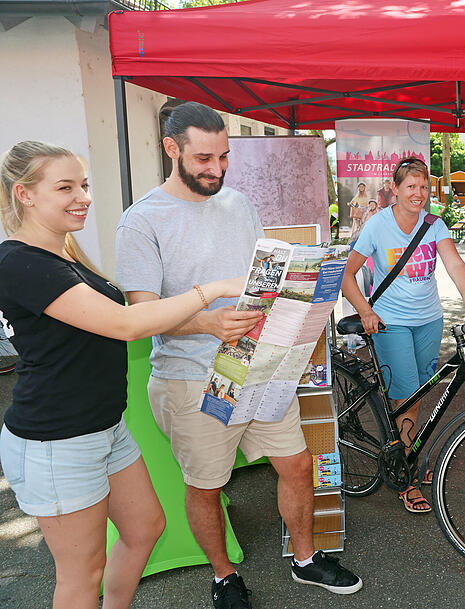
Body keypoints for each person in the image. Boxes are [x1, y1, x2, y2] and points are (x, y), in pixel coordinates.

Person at [115, 102, 361, 609]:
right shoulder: (141, 222)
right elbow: (141, 315)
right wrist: (205, 321)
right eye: (204, 158)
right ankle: (224, 576)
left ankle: (306, 558)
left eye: (224, 156)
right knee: (207, 486)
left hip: (260, 365)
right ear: (171, 149)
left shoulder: (239, 204)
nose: (217, 169)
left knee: (296, 465)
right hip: (191, 378)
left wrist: (302, 300)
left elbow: (261, 281)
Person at [0, 140, 247, 609]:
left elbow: (126, 323)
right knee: (80, 577)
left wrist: (207, 319)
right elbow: (127, 324)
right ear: (25, 194)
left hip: (105, 427)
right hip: (57, 440)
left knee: (145, 528)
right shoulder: (20, 263)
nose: (84, 197)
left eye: (85, 185)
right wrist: (212, 289)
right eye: (66, 186)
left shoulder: (65, 255)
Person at [340, 157, 465, 514]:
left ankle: (407, 448)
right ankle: (407, 474)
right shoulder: (377, 225)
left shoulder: (434, 224)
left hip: (429, 320)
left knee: (418, 392)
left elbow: (455, 263)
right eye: (410, 187)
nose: (418, 194)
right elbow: (347, 275)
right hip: (390, 322)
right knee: (406, 396)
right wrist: (366, 311)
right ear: (395, 190)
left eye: (424, 187)